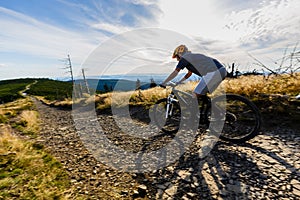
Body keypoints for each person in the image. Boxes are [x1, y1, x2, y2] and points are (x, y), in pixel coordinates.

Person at [160, 45, 227, 98]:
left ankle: (195, 114)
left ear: (180, 53)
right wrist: (179, 82)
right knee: (202, 94)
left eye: (177, 57)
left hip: (214, 72)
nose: (177, 59)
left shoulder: (185, 58)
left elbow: (175, 72)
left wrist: (164, 82)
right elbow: (189, 74)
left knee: (195, 95)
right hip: (221, 70)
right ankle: (207, 110)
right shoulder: (191, 57)